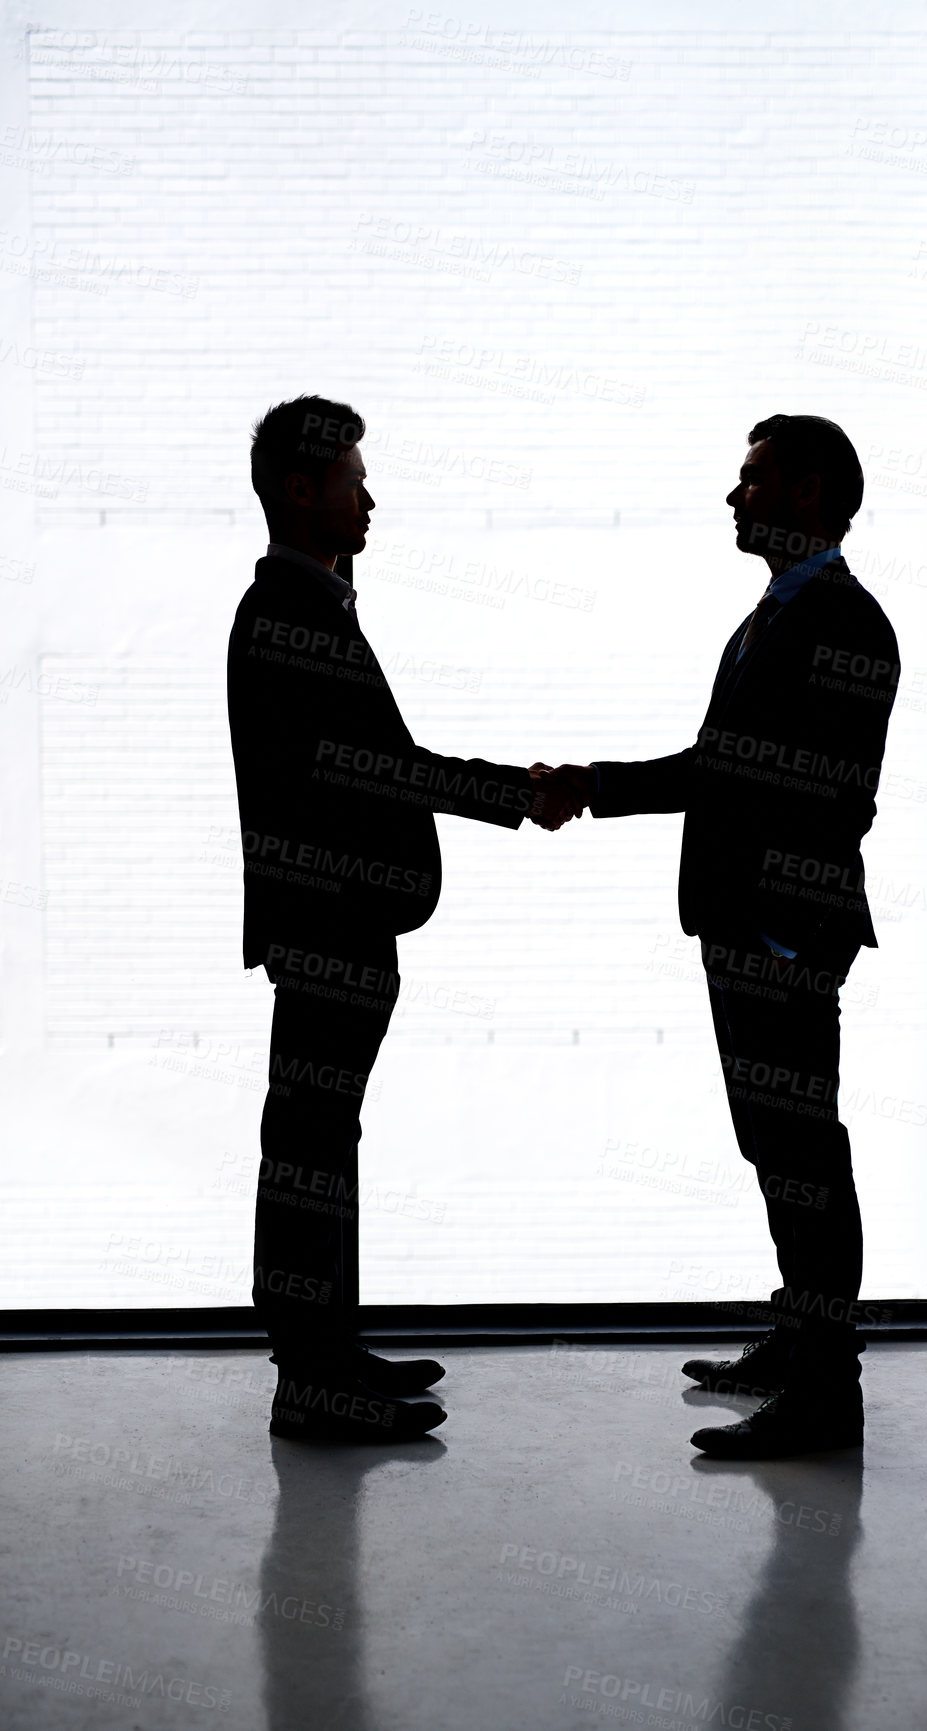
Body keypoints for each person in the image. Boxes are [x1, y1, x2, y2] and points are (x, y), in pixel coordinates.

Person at [545, 414, 900, 1458]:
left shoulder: (841, 620)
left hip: (781, 936)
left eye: (753, 481)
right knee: (775, 1148)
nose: (734, 497)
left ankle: (828, 1392)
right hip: (745, 928)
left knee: (805, 1156)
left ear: (810, 493)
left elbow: (772, 781)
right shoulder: (772, 616)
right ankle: (798, 1344)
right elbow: (732, 765)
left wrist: (589, 789)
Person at [228, 396, 575, 1443]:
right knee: (311, 1145)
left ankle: (329, 1354)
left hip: (339, 926)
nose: (369, 495)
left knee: (324, 1139)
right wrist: (516, 791)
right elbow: (379, 768)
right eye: (352, 479)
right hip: (327, 926)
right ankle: (310, 1375)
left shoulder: (314, 604)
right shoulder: (291, 616)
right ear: (302, 490)